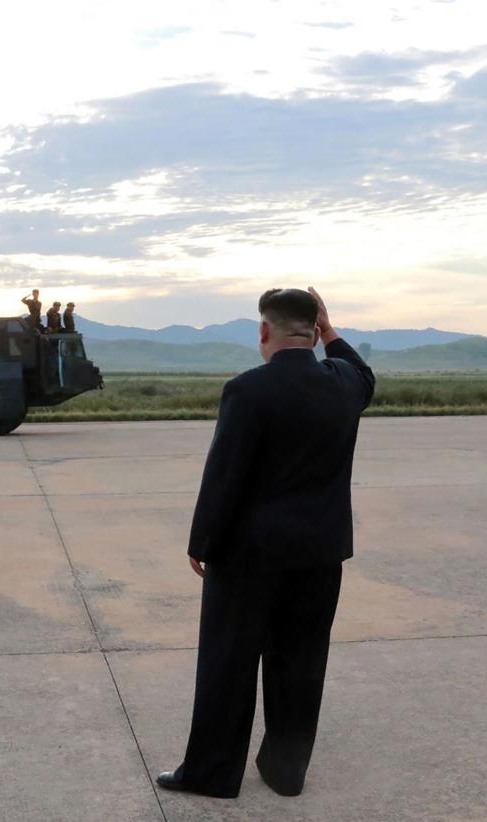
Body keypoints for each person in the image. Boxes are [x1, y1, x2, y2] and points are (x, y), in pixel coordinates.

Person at [156, 287, 374, 800]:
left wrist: (202, 539)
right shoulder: (345, 384)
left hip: (250, 555)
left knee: (228, 663)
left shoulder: (247, 390)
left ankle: (211, 772)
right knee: (300, 661)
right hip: (320, 553)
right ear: (316, 330)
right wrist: (332, 330)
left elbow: (225, 474)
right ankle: (286, 770)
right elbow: (362, 371)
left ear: (263, 331)